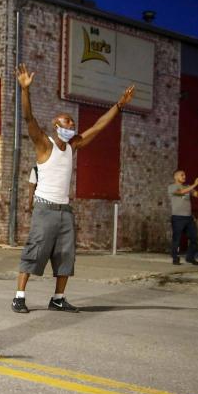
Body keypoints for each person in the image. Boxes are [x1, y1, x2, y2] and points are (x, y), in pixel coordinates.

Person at [12, 63, 134, 314]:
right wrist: (25, 90)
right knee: (35, 250)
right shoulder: (45, 144)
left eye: (72, 123)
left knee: (66, 255)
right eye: (66, 122)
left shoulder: (73, 146)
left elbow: (99, 126)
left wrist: (119, 105)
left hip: (64, 211)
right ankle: (19, 297)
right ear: (56, 125)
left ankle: (58, 298)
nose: (71, 125)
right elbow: (28, 118)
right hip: (44, 209)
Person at [168, 170, 198, 266]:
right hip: (178, 217)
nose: (184, 176)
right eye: (182, 175)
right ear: (176, 177)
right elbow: (181, 192)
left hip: (188, 218)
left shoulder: (188, 187)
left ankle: (190, 257)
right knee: (177, 239)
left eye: (185, 175)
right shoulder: (172, 187)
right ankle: (175, 258)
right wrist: (194, 184)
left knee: (194, 238)